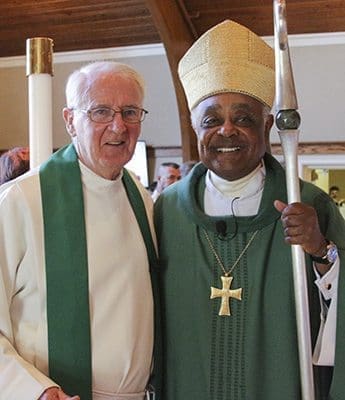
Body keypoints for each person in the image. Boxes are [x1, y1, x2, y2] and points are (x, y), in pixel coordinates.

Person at [154, 20, 345, 399]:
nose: (226, 130)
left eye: (243, 118)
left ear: (268, 124)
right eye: (211, 120)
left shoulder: (309, 204)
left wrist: (322, 251)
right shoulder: (166, 211)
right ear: (194, 127)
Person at [0, 61, 161, 400]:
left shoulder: (142, 200)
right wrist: (36, 391)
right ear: (70, 120)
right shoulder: (23, 201)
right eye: (101, 112)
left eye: (130, 112)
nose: (119, 126)